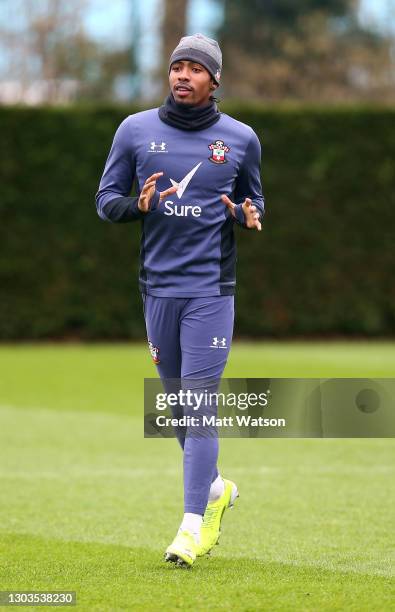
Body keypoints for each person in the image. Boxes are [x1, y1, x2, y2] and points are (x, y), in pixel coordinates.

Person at [96, 33, 264, 567]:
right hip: (157, 292)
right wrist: (137, 205)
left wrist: (246, 214)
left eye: (195, 68)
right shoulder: (135, 130)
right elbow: (106, 203)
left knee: (198, 405)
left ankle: (191, 527)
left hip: (211, 293)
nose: (182, 76)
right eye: (177, 67)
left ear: (214, 81)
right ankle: (215, 489)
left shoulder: (240, 139)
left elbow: (253, 200)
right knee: (177, 414)